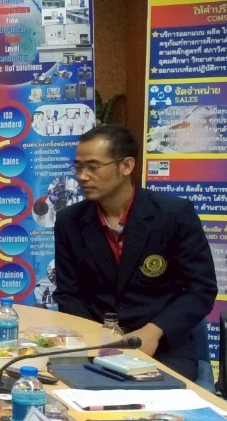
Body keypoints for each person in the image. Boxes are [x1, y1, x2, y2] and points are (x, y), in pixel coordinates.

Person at [54, 125, 216, 379]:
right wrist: (98, 335)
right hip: (94, 343)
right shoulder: (69, 221)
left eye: (93, 167)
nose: (83, 177)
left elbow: (200, 290)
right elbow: (68, 294)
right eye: (78, 167)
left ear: (126, 166)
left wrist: (154, 331)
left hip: (162, 346)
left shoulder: (173, 215)